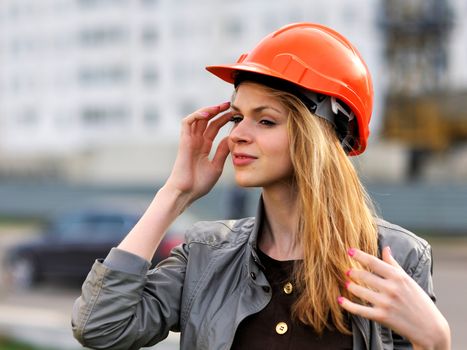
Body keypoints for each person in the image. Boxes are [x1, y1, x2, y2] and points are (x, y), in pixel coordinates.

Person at [71, 23, 450, 350]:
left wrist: (434, 341)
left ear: (316, 136)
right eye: (237, 117)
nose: (237, 135)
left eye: (265, 121)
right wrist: (175, 194)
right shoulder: (206, 256)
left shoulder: (394, 257)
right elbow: (102, 327)